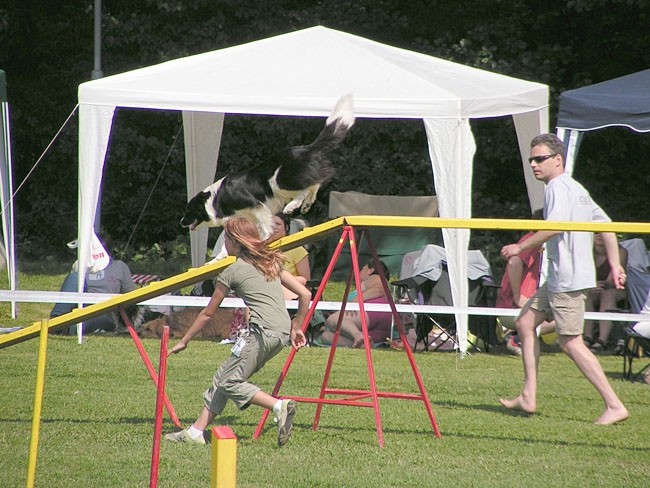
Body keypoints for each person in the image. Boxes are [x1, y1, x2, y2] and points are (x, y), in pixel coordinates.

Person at [499, 133, 628, 425]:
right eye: (531, 159)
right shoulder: (576, 188)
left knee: (571, 342)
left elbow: (555, 228)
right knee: (524, 323)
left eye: (540, 159)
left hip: (568, 280)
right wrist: (614, 263)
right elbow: (608, 225)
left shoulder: (558, 187)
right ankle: (528, 396)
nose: (534, 164)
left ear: (558, 160)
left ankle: (614, 404)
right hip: (561, 278)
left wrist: (521, 246)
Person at [165, 218, 310, 447]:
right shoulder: (270, 262)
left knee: (230, 381)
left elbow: (207, 314)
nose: (225, 245)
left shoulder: (232, 271)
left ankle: (278, 406)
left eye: (225, 239)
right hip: (280, 335)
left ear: (234, 241)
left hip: (260, 333)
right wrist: (297, 326)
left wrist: (184, 340)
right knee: (224, 376)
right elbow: (305, 294)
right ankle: (195, 431)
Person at [50, 234, 138, 333]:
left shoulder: (119, 266)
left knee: (89, 320)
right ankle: (56, 318)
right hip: (81, 306)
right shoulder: (81, 264)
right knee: (74, 277)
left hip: (105, 312)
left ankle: (66, 329)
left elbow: (131, 297)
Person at [496, 210, 555, 356]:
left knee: (568, 316)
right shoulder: (531, 242)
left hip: (529, 304)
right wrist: (518, 296)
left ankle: (517, 336)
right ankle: (517, 338)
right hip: (514, 307)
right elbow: (514, 261)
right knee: (565, 317)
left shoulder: (541, 243)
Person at [318, 260, 392, 348]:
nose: (359, 271)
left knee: (334, 319)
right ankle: (363, 344)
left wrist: (355, 301)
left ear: (370, 271)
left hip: (376, 309)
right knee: (326, 336)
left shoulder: (375, 277)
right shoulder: (363, 286)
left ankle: (358, 336)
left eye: (362, 269)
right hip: (378, 327)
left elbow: (380, 289)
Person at [583, 233, 628, 353]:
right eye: (595, 232)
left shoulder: (620, 252)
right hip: (592, 288)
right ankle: (587, 337)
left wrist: (598, 284)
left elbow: (613, 280)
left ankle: (602, 340)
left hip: (616, 288)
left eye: (602, 232)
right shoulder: (586, 251)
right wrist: (591, 285)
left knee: (607, 294)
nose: (598, 235)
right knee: (587, 295)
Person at [267, 212, 311, 299]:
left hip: (289, 292)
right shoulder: (259, 249)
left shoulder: (297, 249)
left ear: (286, 227)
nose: (273, 227)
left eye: (278, 224)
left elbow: (306, 280)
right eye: (270, 223)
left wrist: (280, 281)